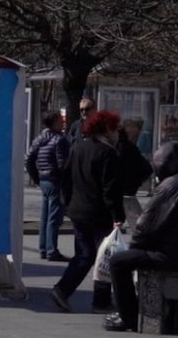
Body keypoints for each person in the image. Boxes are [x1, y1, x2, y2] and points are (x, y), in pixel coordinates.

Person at [105, 143, 178, 333]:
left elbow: (145, 227)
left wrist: (135, 248)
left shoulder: (169, 187)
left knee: (118, 261)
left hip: (173, 256)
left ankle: (128, 316)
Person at [51, 110, 127, 313]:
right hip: (98, 213)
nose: (117, 133)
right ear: (107, 129)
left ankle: (63, 289)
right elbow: (110, 189)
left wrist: (67, 203)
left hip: (78, 210)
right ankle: (100, 301)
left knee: (84, 254)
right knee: (104, 257)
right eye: (115, 129)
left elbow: (66, 178)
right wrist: (117, 215)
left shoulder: (78, 147)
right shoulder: (108, 153)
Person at [26, 109, 71, 261]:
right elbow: (63, 165)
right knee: (54, 218)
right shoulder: (59, 140)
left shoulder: (39, 139)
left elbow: (29, 160)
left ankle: (43, 248)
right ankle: (52, 250)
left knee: (45, 217)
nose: (63, 123)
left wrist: (37, 178)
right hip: (55, 180)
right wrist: (67, 182)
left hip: (44, 179)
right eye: (60, 120)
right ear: (55, 122)